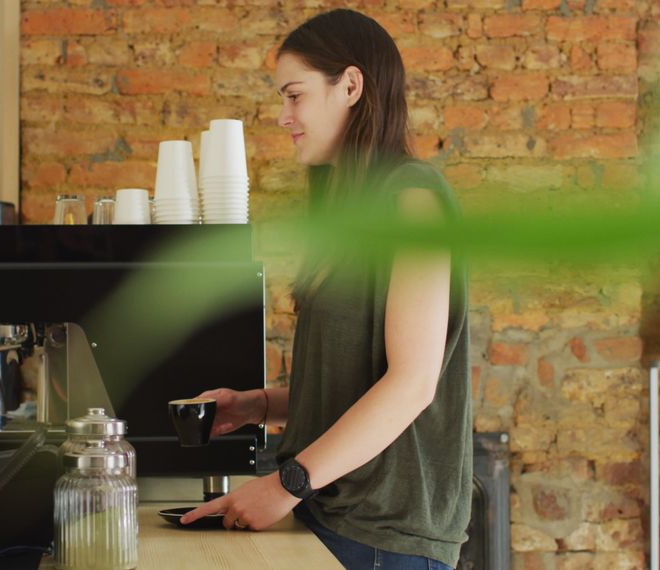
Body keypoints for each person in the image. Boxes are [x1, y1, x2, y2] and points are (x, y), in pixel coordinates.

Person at [182, 9, 473, 570]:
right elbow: (356, 379)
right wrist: (256, 406)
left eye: (294, 96)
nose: (283, 116)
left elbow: (412, 384)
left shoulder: (413, 199)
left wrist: (283, 485)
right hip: (331, 513)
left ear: (351, 85)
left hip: (383, 535)